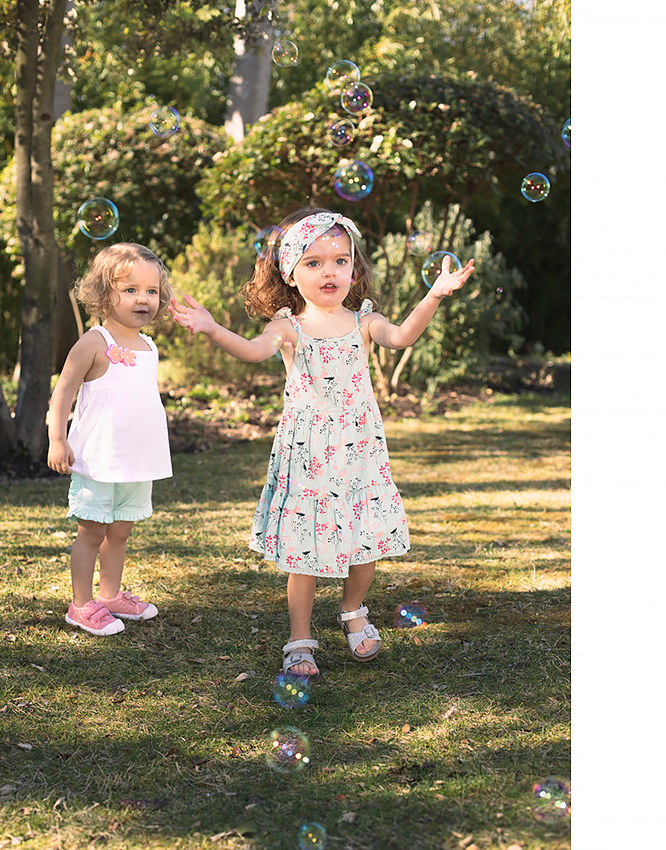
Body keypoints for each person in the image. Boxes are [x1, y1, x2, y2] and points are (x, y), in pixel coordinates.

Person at [169, 208, 475, 675]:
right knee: (306, 547)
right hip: (308, 453)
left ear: (354, 268)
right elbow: (252, 350)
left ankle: (353, 611)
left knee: (365, 537)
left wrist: (433, 294)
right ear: (291, 274)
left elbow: (402, 336)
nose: (329, 271)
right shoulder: (288, 326)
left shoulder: (365, 321)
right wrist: (213, 328)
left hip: (359, 449)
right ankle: (299, 638)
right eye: (313, 263)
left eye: (339, 261)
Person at [47, 243, 173, 636]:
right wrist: (57, 438)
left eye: (151, 291)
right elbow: (63, 392)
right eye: (131, 290)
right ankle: (81, 605)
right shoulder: (94, 342)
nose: (143, 299)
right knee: (92, 531)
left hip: (135, 461)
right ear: (104, 294)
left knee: (120, 531)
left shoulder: (149, 346)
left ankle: (110, 595)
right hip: (99, 460)